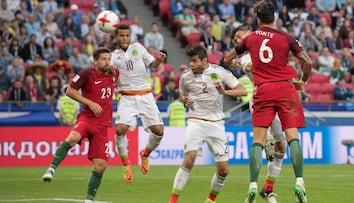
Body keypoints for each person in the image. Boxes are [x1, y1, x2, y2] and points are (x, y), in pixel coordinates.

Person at [224, 2, 312, 203]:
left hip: (263, 90)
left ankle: (254, 185)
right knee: (292, 138)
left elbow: (227, 58)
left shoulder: (251, 39)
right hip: (285, 88)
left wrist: (235, 61)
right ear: (275, 18)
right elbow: (307, 62)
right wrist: (302, 82)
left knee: (259, 140)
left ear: (258, 20)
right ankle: (299, 181)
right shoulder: (286, 37)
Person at [169, 45, 247, 203]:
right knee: (189, 159)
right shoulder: (186, 77)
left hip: (216, 123)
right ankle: (173, 200)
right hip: (195, 121)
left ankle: (211, 199)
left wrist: (225, 92)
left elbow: (243, 90)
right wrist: (185, 101)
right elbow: (182, 94)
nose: (191, 64)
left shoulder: (220, 72)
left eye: (194, 61)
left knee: (224, 170)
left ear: (204, 60)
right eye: (190, 61)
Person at [41, 47, 119, 203]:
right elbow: (70, 91)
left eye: (108, 59)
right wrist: (90, 103)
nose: (106, 62)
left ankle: (89, 200)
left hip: (103, 125)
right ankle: (51, 168)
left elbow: (122, 84)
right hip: (87, 119)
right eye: (103, 59)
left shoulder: (114, 73)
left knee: (101, 166)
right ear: (95, 61)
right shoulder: (86, 73)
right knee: (73, 137)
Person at [230, 26, 288, 203]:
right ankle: (252, 187)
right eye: (235, 41)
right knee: (260, 141)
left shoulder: (265, 46)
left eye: (238, 38)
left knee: (281, 147)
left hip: (277, 98)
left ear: (248, 34)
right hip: (260, 99)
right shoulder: (246, 55)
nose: (237, 42)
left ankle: (268, 189)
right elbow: (252, 65)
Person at [111, 24, 167, 183]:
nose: (124, 38)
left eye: (127, 35)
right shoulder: (113, 57)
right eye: (121, 35)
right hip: (127, 97)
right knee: (120, 129)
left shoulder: (138, 47)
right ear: (116, 37)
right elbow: (113, 79)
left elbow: (153, 65)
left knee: (159, 131)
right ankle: (125, 163)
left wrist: (159, 59)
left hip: (145, 95)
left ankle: (145, 154)